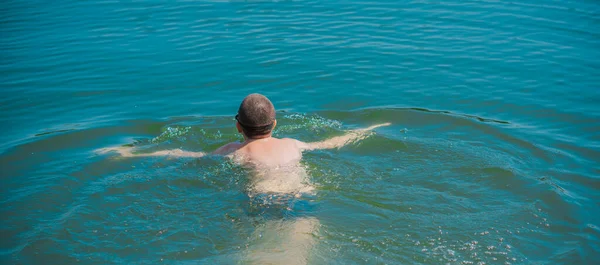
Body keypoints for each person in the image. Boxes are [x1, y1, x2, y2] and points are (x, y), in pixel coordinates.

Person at [98, 93, 390, 194]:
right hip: (302, 196)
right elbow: (334, 141)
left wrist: (128, 153)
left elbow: (182, 154)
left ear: (237, 126)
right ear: (275, 124)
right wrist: (371, 127)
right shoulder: (293, 144)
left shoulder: (233, 152)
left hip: (261, 201)